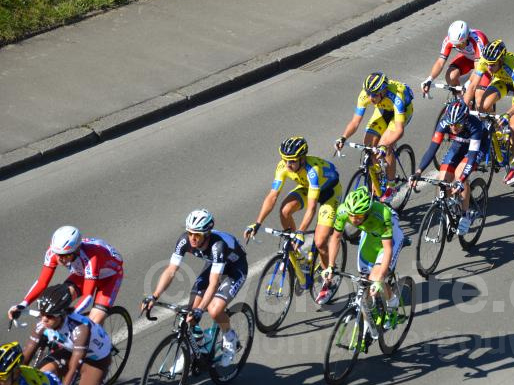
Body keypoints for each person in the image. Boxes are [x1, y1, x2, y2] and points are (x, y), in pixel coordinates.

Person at [142, 209, 247, 367]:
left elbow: (213, 283)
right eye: (190, 233)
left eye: (197, 235)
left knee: (213, 310)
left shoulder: (218, 246)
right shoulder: (184, 241)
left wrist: (201, 309)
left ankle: (230, 337)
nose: (192, 238)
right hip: (214, 264)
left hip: (234, 268)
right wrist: (154, 296)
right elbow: (171, 270)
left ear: (207, 234)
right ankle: (195, 344)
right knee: (189, 311)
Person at [243, 136, 341, 302]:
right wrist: (257, 223)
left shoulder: (313, 171)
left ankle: (328, 280)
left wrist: (301, 232)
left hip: (328, 193)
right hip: (307, 188)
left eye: (293, 161)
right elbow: (272, 196)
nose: (288, 165)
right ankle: (299, 255)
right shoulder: (283, 167)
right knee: (285, 210)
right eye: (286, 160)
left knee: (320, 241)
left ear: (302, 159)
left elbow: (311, 208)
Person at [7, 226, 124, 326]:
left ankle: (101, 350)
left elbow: (87, 296)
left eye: (65, 255)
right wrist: (23, 304)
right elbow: (42, 282)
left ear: (77, 250)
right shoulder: (54, 252)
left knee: (93, 323)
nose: (60, 259)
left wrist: (71, 315)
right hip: (82, 274)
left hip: (109, 278)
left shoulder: (91, 258)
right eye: (58, 254)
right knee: (56, 300)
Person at [322, 187, 406, 313]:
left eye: (359, 216)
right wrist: (330, 266)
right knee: (365, 282)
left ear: (367, 212)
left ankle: (392, 303)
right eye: (351, 215)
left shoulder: (381, 215)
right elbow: (336, 237)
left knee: (376, 279)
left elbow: (388, 249)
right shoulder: (343, 211)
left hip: (389, 240)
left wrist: (379, 279)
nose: (354, 220)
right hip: (371, 236)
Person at [463, 39, 514, 185]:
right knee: (481, 106)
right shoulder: (486, 60)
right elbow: (472, 86)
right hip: (502, 80)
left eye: (493, 64)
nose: (489, 67)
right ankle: (495, 131)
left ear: (501, 60)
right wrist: (463, 108)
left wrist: (507, 115)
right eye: (488, 64)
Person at [335, 73, 414, 202]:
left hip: (401, 113)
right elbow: (355, 122)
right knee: (368, 145)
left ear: (383, 91)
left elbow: (399, 131)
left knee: (385, 144)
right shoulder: (366, 95)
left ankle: (391, 185)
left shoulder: (396, 97)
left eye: (374, 94)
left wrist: (384, 146)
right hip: (383, 111)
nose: (370, 98)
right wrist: (343, 138)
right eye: (369, 93)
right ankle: (377, 174)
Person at [411, 99, 487, 235]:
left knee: (459, 175)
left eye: (457, 124)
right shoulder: (444, 123)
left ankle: (465, 215)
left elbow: (471, 157)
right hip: (458, 144)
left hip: (477, 147)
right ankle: (449, 210)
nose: (453, 128)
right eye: (451, 124)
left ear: (464, 119)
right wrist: (418, 171)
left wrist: (461, 179)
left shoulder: (474, 126)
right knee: (442, 178)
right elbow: (432, 149)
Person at [421, 20, 490, 104]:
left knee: (481, 102)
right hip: (467, 58)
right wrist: (429, 79)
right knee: (451, 76)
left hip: (484, 63)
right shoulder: (449, 40)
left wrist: (469, 83)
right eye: (455, 45)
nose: (458, 47)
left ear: (467, 37)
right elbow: (440, 62)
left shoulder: (478, 39)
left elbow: (478, 68)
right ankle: (460, 100)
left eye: (460, 44)